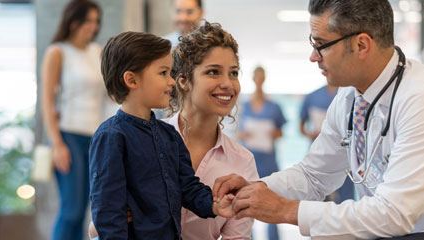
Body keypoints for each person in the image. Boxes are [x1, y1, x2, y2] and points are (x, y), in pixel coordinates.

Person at [212, 0, 424, 239]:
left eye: (320, 45)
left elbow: (394, 214)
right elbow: (314, 175)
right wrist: (257, 190)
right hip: (420, 231)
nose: (313, 57)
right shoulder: (350, 99)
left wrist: (286, 211)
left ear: (361, 44)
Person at [89, 31, 236, 239]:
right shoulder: (111, 137)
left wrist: (213, 204)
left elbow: (188, 186)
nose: (172, 82)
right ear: (131, 79)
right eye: (163, 73)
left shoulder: (169, 135)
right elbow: (108, 209)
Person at [165, 21, 259, 239]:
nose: (228, 83)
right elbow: (99, 226)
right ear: (183, 81)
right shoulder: (146, 141)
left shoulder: (242, 162)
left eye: (234, 73)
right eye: (213, 72)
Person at [39, 1, 105, 239]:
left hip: (95, 137)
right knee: (71, 209)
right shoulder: (57, 51)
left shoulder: (97, 52)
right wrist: (57, 144)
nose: (93, 26)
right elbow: (46, 102)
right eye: (88, 20)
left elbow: (109, 95)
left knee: (86, 211)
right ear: (73, 21)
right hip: (68, 135)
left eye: (96, 21)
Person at [236, 66, 285, 240]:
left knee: (271, 204)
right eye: (256, 76)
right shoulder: (243, 106)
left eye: (261, 76)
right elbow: (237, 132)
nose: (258, 80)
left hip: (269, 160)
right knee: (247, 205)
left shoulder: (274, 106)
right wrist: (244, 134)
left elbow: (281, 132)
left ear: (264, 78)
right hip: (248, 160)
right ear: (252, 78)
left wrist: (272, 133)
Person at [299, 84, 356, 205]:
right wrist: (311, 134)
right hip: (319, 152)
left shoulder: (351, 95)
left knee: (346, 199)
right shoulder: (313, 97)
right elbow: (301, 126)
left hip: (346, 155)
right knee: (316, 199)